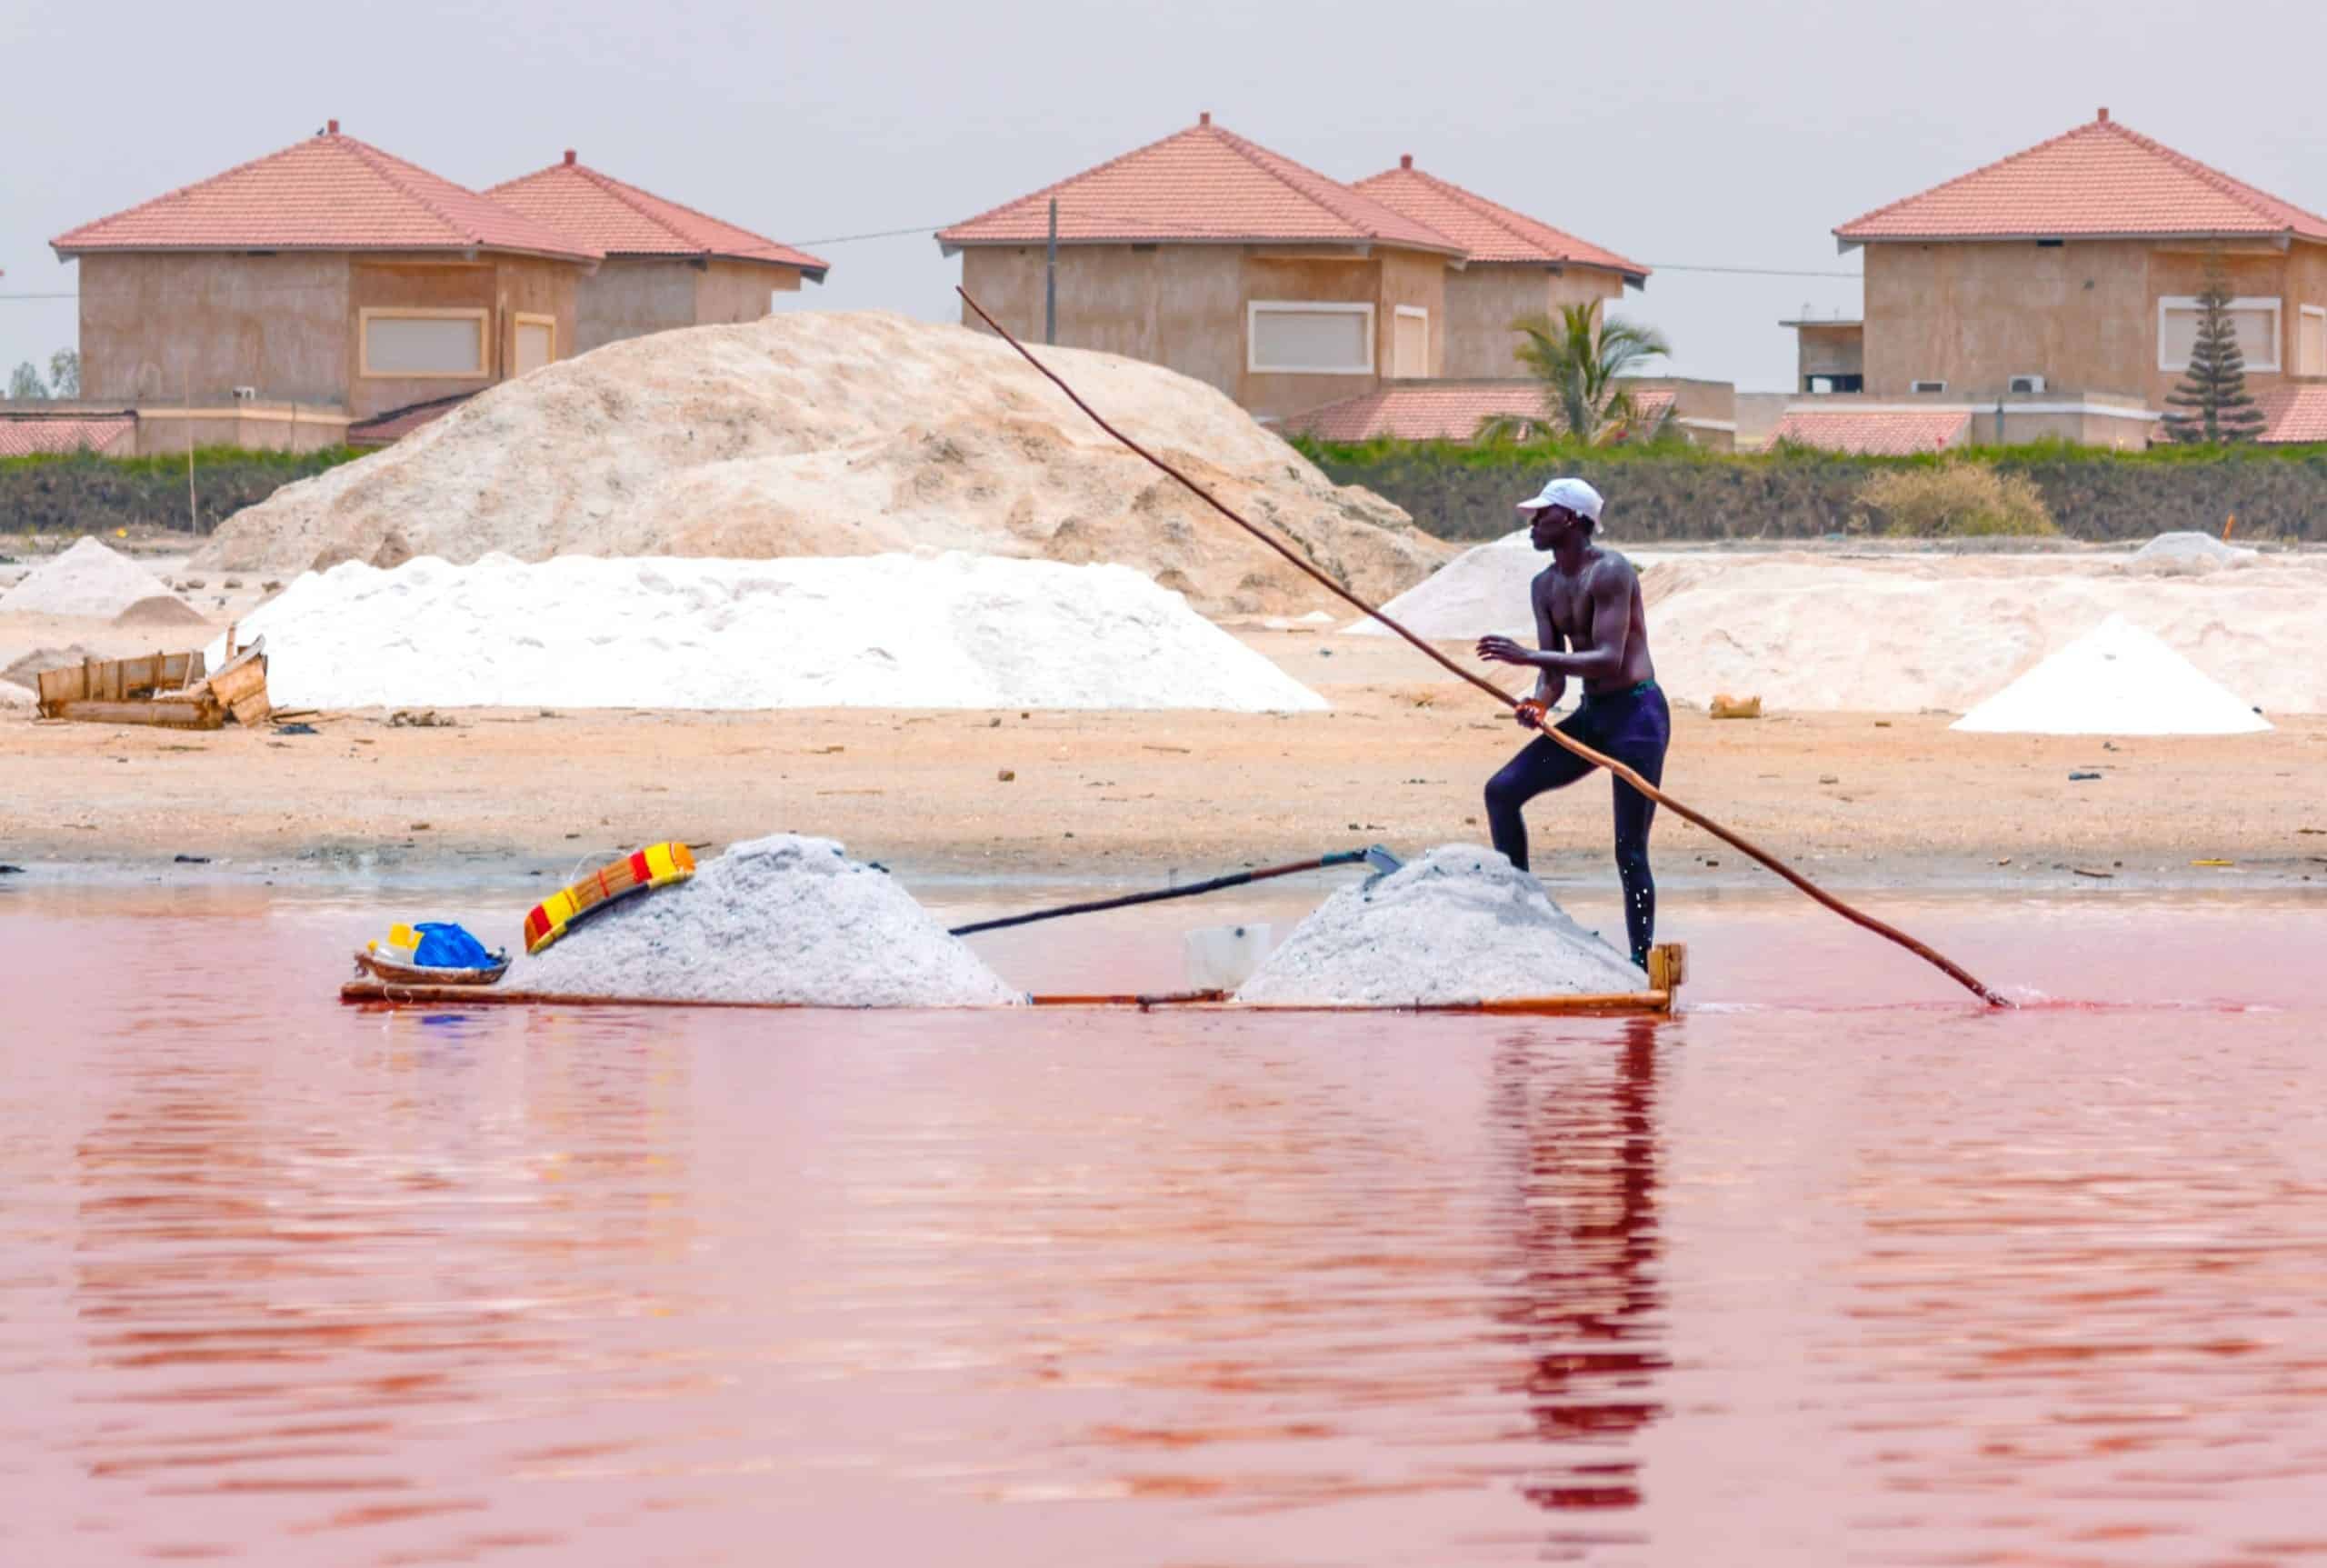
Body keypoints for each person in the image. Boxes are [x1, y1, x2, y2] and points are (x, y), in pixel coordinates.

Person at [1475, 477, 1670, 967]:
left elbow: (1607, 658)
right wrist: (1539, 703)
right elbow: (1554, 674)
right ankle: (1522, 912)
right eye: (1534, 515)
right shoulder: (1543, 585)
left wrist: (1523, 656)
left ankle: (1640, 963)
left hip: (1638, 717)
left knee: (1629, 850)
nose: (1533, 523)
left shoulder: (1611, 572)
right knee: (1501, 791)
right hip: (1594, 715)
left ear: (1574, 520)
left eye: (1544, 514)